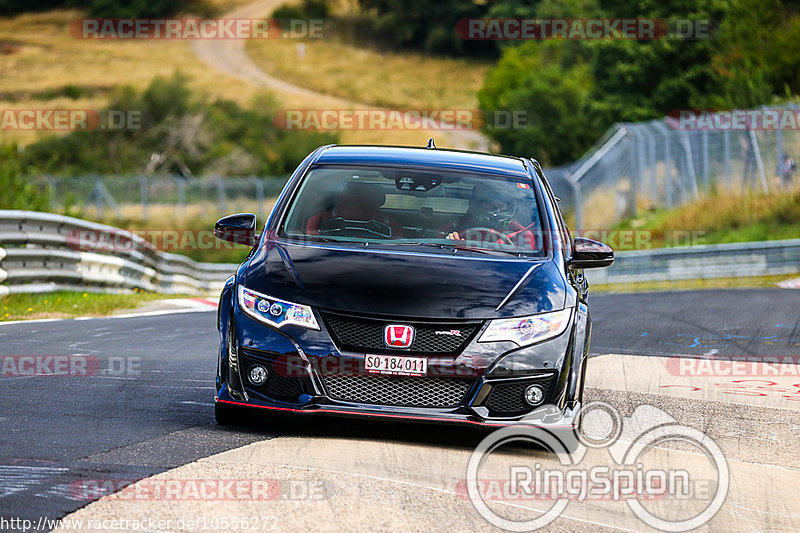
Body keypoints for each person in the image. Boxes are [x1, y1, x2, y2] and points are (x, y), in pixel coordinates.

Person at [445, 182, 537, 250]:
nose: (496, 209)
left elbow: (524, 265)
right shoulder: (454, 226)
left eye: (501, 205)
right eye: (489, 203)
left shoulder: (522, 234)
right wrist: (449, 242)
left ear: (509, 206)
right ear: (477, 204)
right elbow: (438, 253)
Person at [306, 182, 403, 237]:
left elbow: (396, 238)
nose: (351, 203)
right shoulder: (326, 217)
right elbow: (311, 236)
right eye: (346, 199)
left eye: (356, 199)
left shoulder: (379, 219)